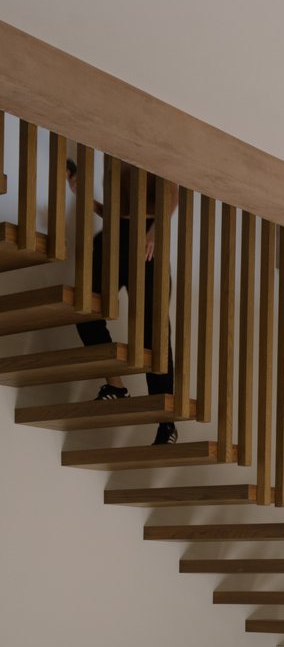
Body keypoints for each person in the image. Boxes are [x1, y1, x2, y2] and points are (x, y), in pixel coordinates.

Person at [67, 159, 179, 444]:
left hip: (148, 238)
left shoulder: (149, 146)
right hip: (114, 234)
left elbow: (174, 192)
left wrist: (155, 232)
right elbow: (116, 212)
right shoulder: (111, 158)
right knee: (86, 309)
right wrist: (88, 201)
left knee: (154, 334)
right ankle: (115, 384)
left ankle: (166, 422)